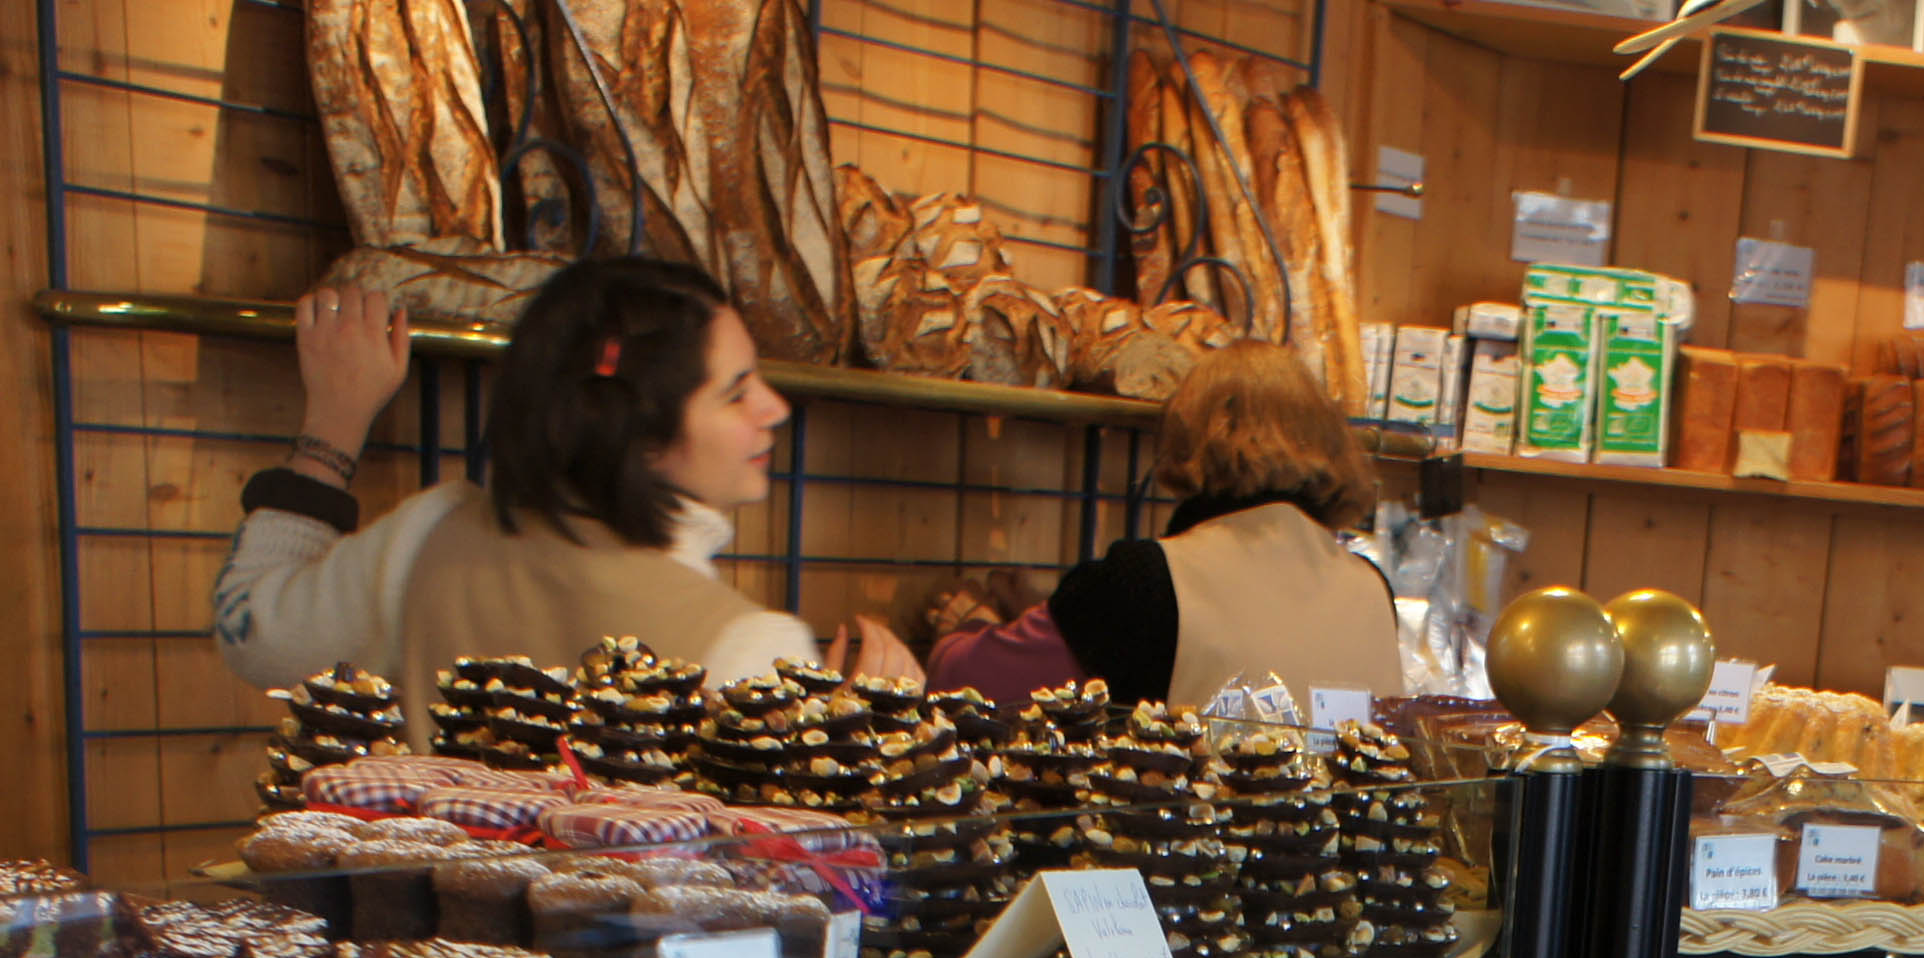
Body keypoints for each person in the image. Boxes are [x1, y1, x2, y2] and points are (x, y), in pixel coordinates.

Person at [212, 256, 918, 725]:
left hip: (431, 954)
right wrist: (877, 735)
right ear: (639, 437)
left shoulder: (429, 535)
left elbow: (255, 634)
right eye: (736, 394)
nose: (775, 408)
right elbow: (791, 900)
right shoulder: (751, 648)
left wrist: (333, 424)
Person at [922, 345, 1400, 714]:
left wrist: (972, 620)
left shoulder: (1145, 581)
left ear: (1190, 438)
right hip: (1357, 842)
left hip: (1193, 839)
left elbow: (968, 680)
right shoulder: (1373, 588)